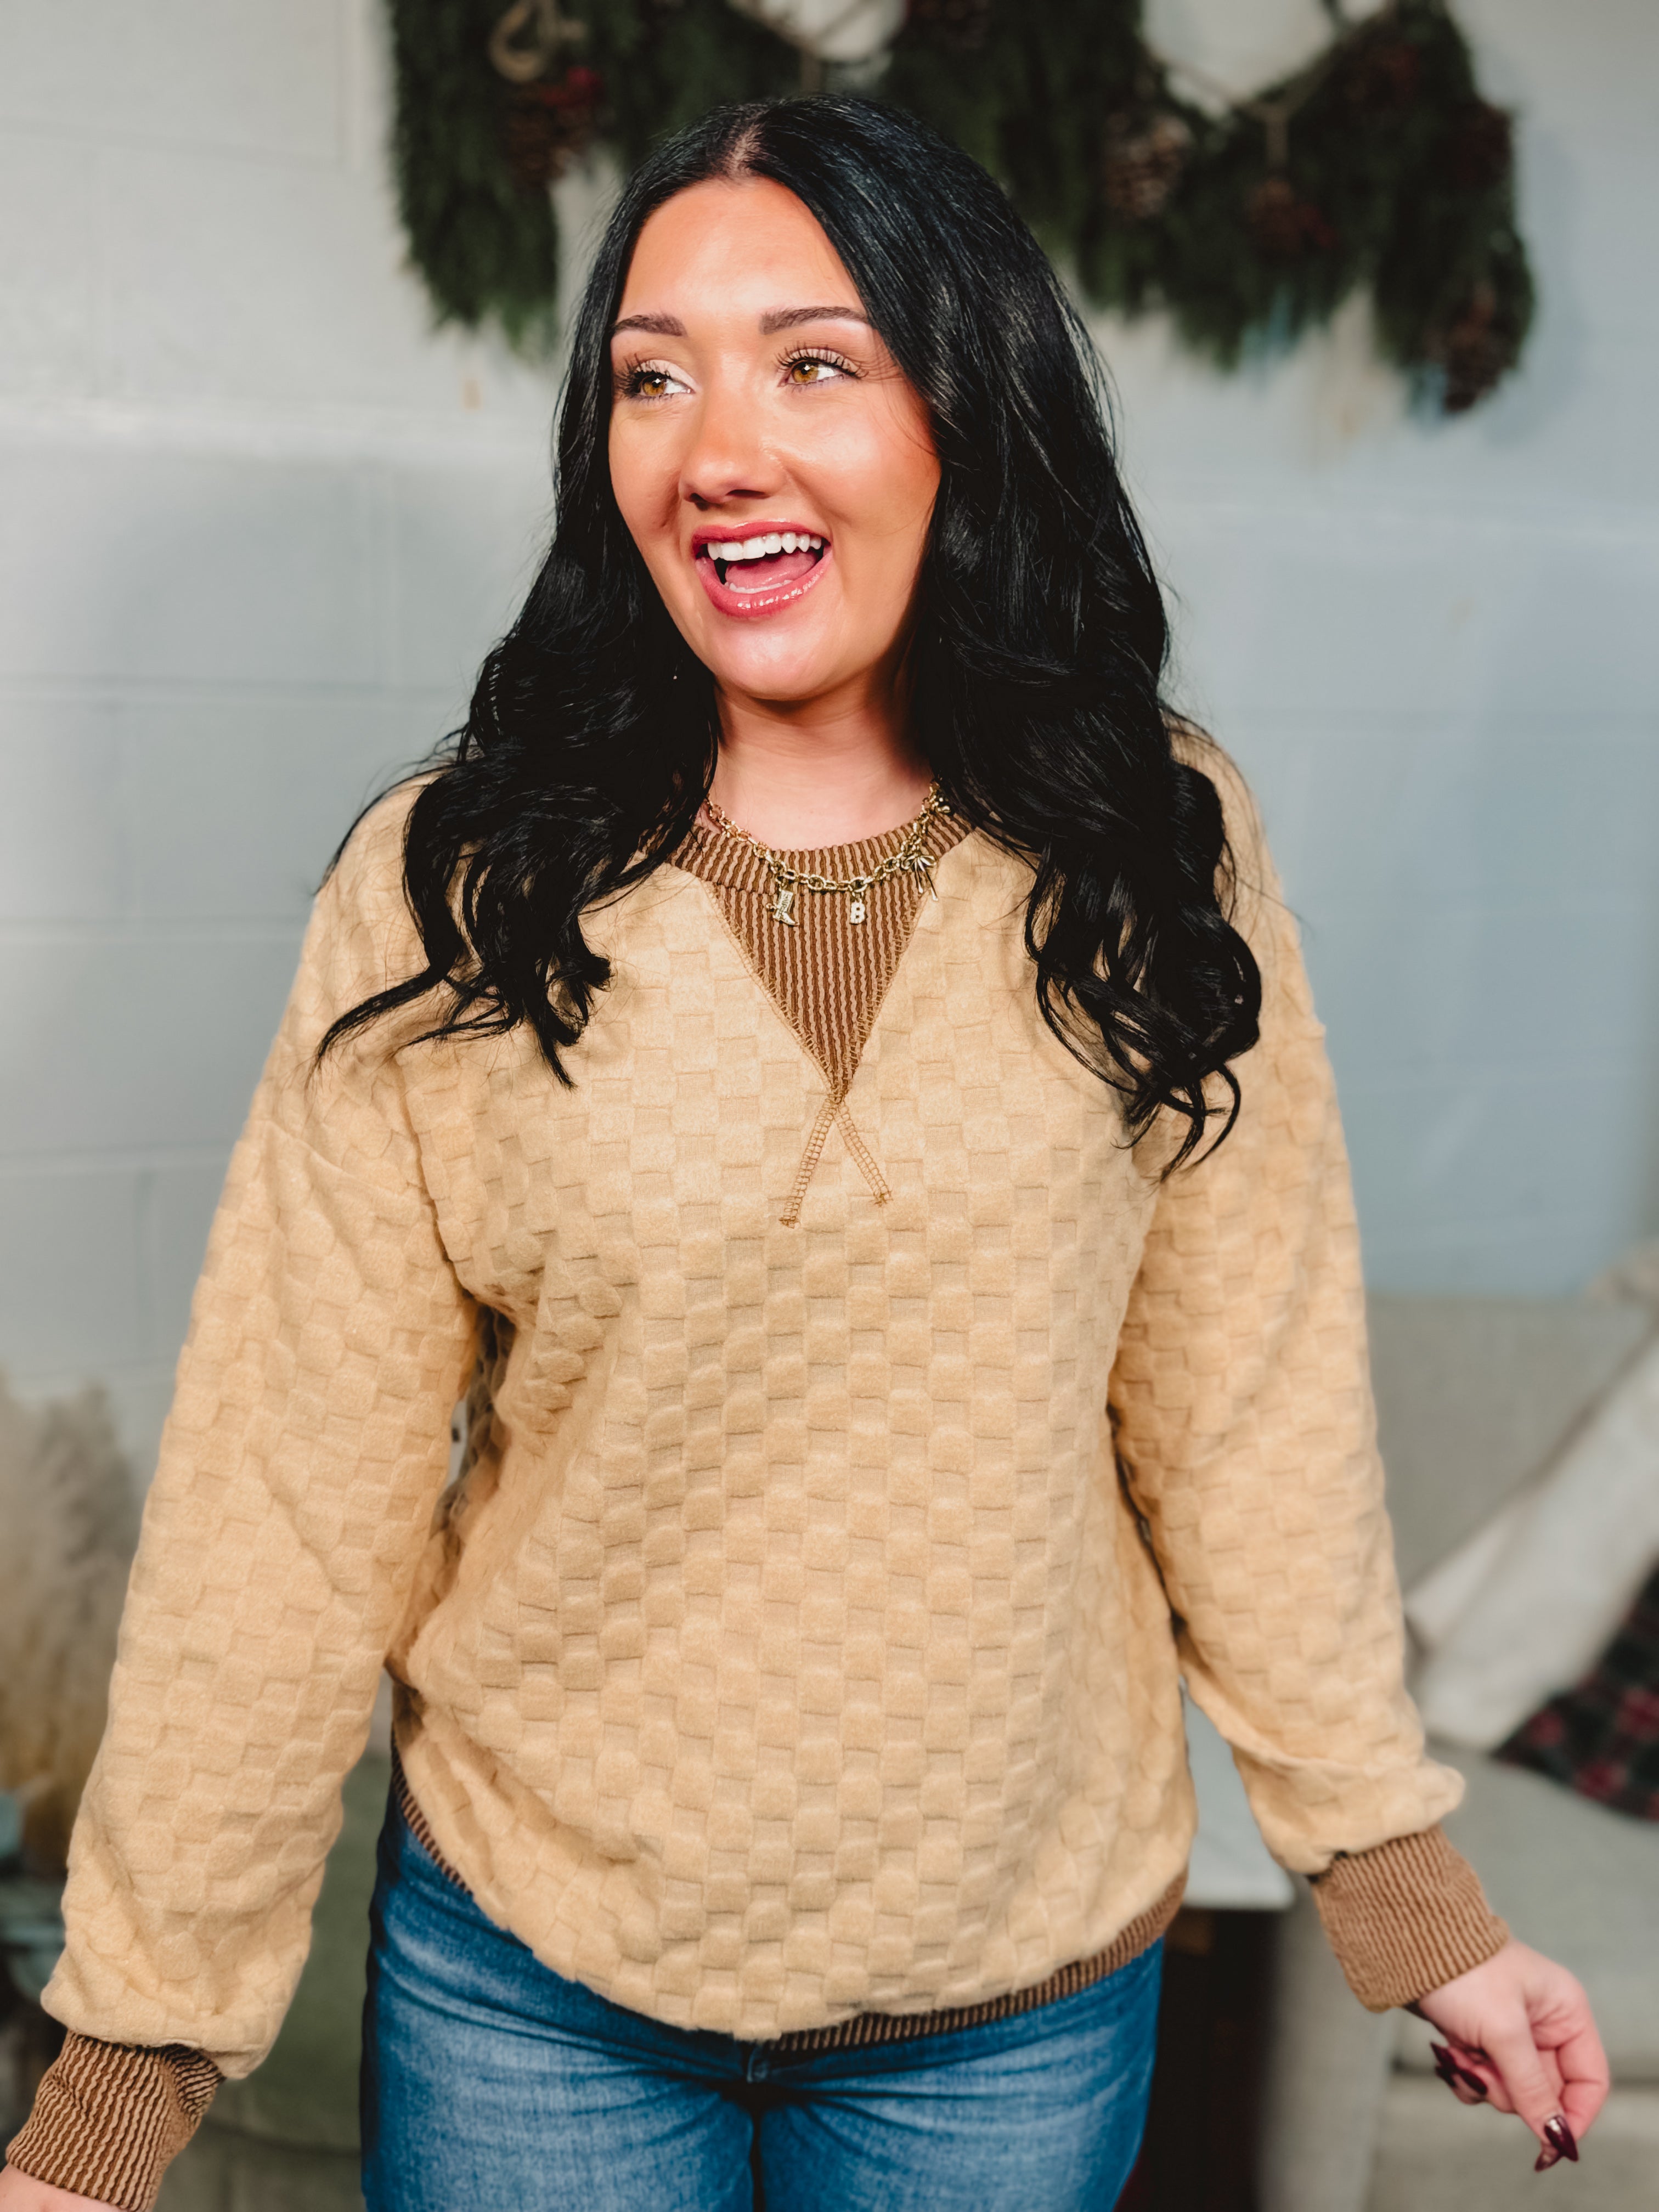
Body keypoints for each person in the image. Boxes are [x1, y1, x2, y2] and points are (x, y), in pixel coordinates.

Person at [2, 95, 1607, 2212]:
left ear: (967, 412)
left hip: (1012, 2016)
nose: (715, 449)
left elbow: (1249, 1416)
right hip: (533, 1991)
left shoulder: (1156, 843)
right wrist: (117, 2095)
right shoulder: (452, 883)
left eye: (813, 364)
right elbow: (285, 1511)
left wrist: (1403, 1889)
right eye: (652, 376)